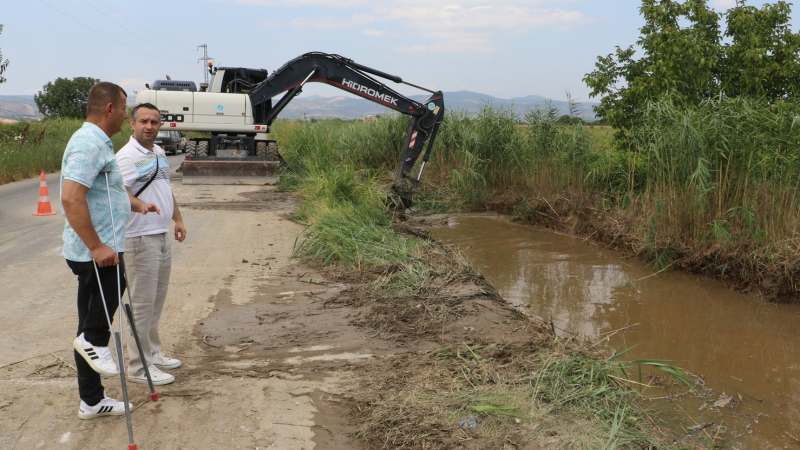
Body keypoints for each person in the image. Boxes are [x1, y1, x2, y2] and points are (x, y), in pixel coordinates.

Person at [61, 82, 159, 419]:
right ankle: (92, 351)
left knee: (90, 326)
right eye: (123, 107)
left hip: (104, 245)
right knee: (91, 332)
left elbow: (107, 191)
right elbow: (71, 197)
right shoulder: (88, 144)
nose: (123, 113)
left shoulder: (99, 143)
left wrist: (135, 204)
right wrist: (97, 245)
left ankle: (91, 399)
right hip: (95, 251)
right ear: (110, 109)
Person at [116, 102, 187, 386]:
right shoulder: (125, 157)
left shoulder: (158, 152)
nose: (149, 126)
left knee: (156, 300)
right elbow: (118, 194)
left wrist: (178, 219)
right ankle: (137, 367)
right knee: (143, 304)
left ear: (161, 125)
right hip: (139, 238)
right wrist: (140, 205)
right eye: (143, 121)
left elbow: (165, 188)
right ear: (132, 124)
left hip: (159, 234)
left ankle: (153, 353)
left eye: (154, 122)